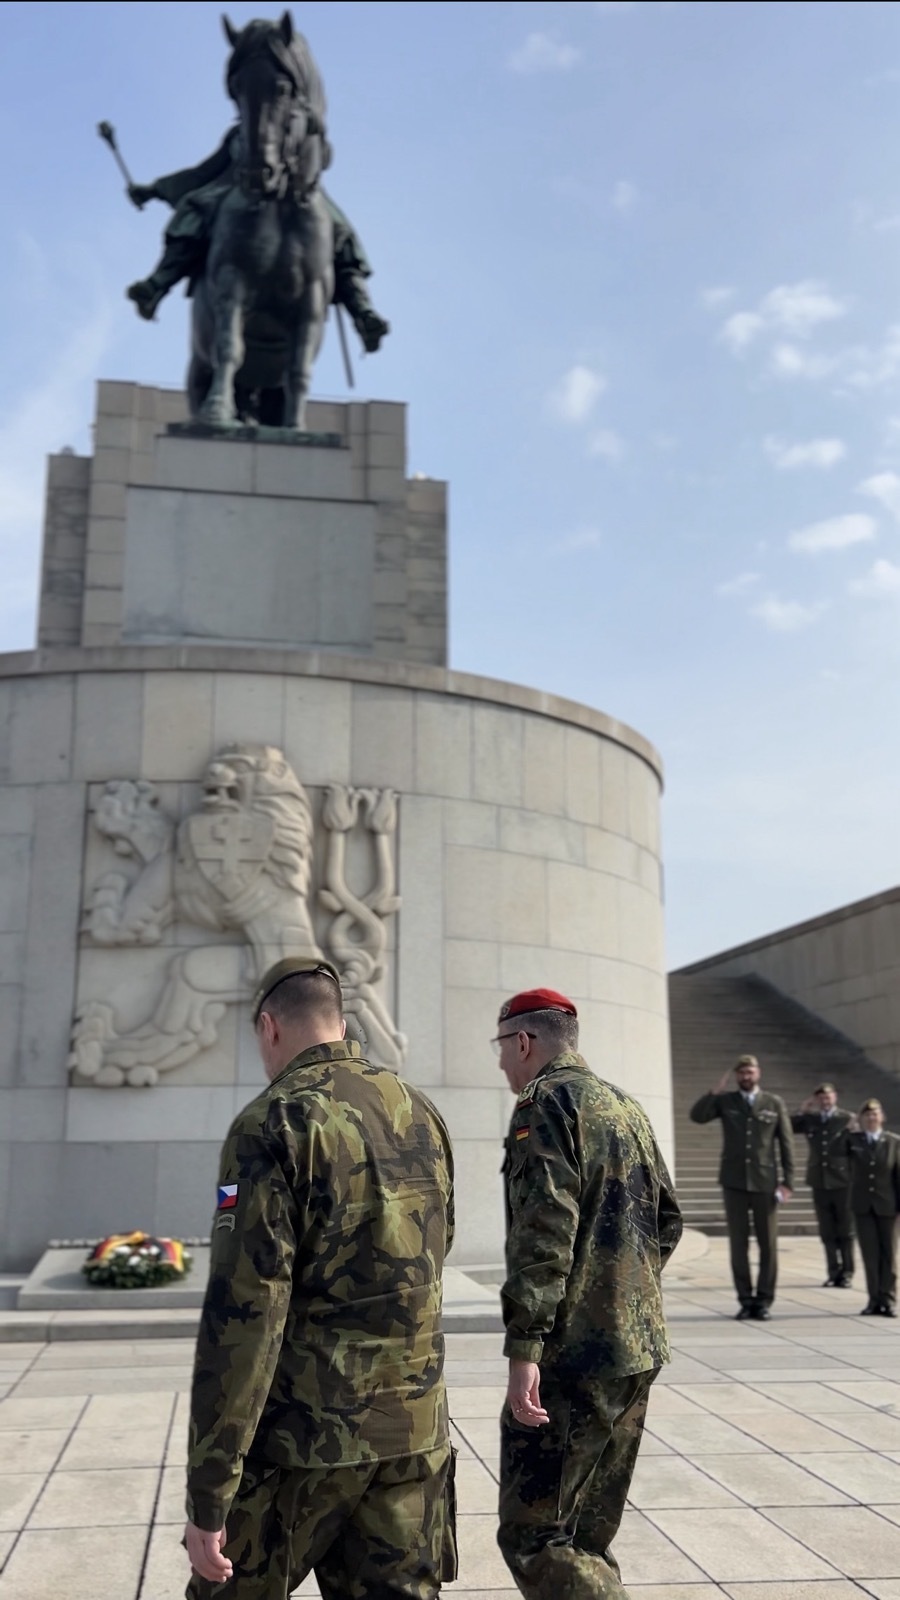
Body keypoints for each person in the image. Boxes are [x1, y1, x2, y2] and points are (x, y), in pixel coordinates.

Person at [183, 957, 456, 1600]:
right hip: (412, 1436)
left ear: (270, 1026)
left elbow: (244, 1318)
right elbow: (438, 1250)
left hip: (305, 1441)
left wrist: (210, 1491)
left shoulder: (272, 1123)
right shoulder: (420, 1111)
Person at [494, 985, 682, 1600]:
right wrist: (626, 1294)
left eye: (502, 1047)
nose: (500, 1063)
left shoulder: (544, 1103)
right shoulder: (623, 1106)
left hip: (573, 1356)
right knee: (586, 1535)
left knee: (537, 1535)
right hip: (636, 1346)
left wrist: (526, 1348)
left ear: (524, 1041)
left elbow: (544, 1231)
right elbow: (670, 1220)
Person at [126, 126, 390, 352]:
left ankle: (363, 314)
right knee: (194, 208)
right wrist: (155, 190)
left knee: (340, 235)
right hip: (236, 189)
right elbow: (202, 174)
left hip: (300, 195)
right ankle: (157, 285)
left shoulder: (303, 123)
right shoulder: (239, 133)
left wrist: (311, 140)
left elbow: (324, 158)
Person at [690, 1054, 794, 1320]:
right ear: (737, 1076)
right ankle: (746, 1300)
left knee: (768, 1244)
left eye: (750, 1072)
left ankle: (764, 1302)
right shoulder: (726, 1101)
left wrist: (787, 1182)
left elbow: (786, 1144)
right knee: (739, 1244)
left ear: (758, 1073)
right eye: (742, 1073)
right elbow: (697, 1116)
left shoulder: (774, 1103)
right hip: (734, 1182)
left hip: (765, 1183)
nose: (746, 1076)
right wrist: (713, 1093)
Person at [791, 1082, 856, 1287]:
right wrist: (802, 1110)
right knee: (827, 1229)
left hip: (842, 1181)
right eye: (820, 1098)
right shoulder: (811, 1119)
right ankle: (832, 1271)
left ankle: (847, 1272)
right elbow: (789, 1127)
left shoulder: (846, 1118)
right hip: (819, 1179)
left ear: (835, 1097)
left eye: (827, 1097)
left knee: (845, 1230)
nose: (824, 1101)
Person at [845, 1097, 900, 1317]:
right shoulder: (854, 1141)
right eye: (867, 1114)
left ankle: (888, 1299)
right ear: (861, 1118)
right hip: (863, 1207)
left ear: (882, 1117)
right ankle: (873, 1299)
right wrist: (847, 1131)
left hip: (888, 1206)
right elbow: (833, 1152)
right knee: (870, 1255)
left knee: (889, 1254)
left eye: (875, 1114)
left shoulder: (894, 1142)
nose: (872, 1118)